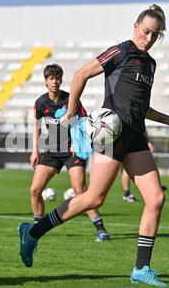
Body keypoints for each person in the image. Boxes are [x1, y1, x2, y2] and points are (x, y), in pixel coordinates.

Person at [18, 4, 169, 287]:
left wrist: (168, 120)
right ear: (135, 26)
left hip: (135, 137)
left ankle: (141, 269)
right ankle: (33, 232)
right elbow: (80, 75)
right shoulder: (120, 51)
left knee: (156, 199)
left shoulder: (150, 64)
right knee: (94, 199)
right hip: (111, 136)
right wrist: (71, 112)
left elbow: (140, 106)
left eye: (155, 35)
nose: (149, 38)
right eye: (146, 32)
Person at [30, 64, 110, 242]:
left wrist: (77, 142)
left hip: (71, 152)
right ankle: (37, 228)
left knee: (80, 190)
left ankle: (100, 228)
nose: (54, 81)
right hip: (51, 151)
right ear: (46, 81)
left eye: (57, 78)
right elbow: (36, 126)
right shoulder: (40, 102)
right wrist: (34, 150)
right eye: (51, 78)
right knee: (35, 190)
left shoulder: (70, 99)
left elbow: (84, 121)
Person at [120, 132, 167, 203]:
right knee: (98, 199)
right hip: (124, 137)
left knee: (157, 199)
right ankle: (127, 193)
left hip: (132, 136)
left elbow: (142, 126)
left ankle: (152, 186)